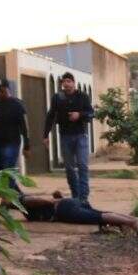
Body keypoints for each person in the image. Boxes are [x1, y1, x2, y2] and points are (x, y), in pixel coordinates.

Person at [43, 71, 93, 203]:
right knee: (69, 168)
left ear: (74, 83)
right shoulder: (57, 98)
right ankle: (75, 195)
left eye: (69, 81)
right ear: (61, 84)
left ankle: (83, 198)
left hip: (80, 135)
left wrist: (79, 115)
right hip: (65, 136)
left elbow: (90, 113)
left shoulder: (82, 96)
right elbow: (51, 115)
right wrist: (45, 134)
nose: (67, 84)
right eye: (64, 82)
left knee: (82, 165)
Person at [15, 190, 138, 238]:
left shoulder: (22, 200)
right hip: (69, 205)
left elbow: (36, 200)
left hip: (65, 210)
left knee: (98, 216)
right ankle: (133, 219)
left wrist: (54, 200)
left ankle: (131, 222)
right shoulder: (21, 204)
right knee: (99, 215)